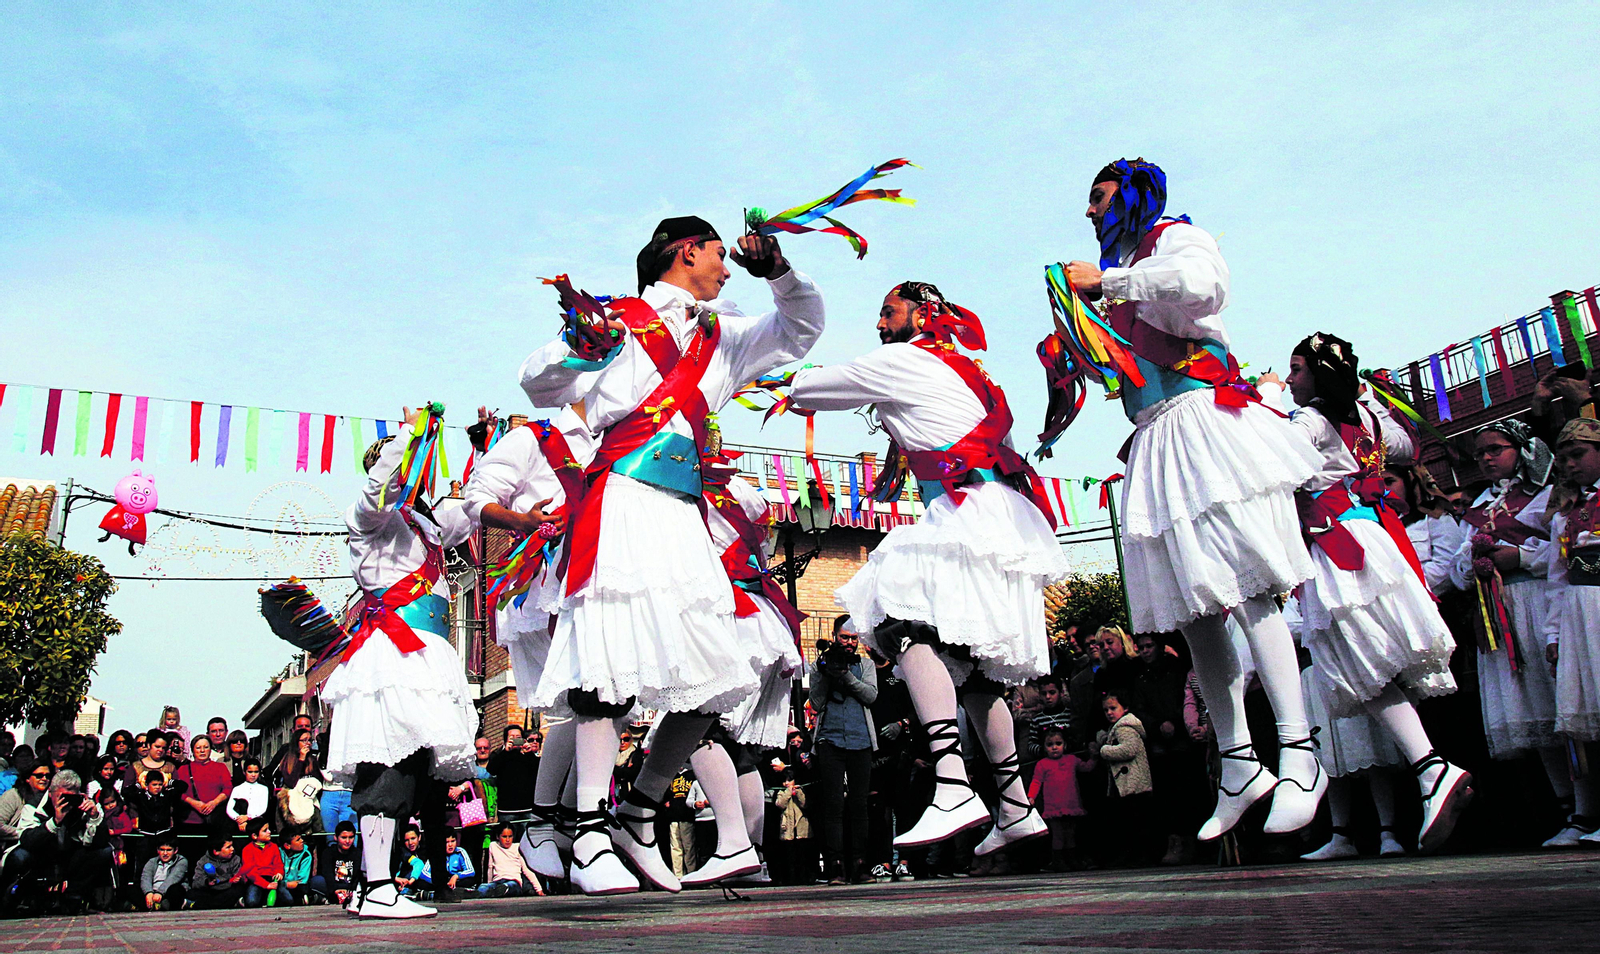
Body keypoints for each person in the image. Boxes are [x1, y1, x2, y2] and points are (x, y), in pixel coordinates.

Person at [518, 220, 824, 896]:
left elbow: (801, 327)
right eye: (720, 253)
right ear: (688, 251)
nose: (727, 265)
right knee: (607, 659)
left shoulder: (727, 334)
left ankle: (639, 808)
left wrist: (779, 268)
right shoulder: (619, 318)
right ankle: (589, 830)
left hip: (685, 515)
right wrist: (578, 347)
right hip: (622, 498)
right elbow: (536, 381)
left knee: (718, 674)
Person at [1046, 158, 1326, 843]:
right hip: (1156, 438)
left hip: (1206, 423)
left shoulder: (1173, 236)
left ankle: (1299, 754)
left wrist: (1110, 280)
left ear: (1133, 197)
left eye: (1099, 198)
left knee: (1253, 589)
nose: (1088, 213)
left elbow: (1206, 287)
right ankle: (1239, 765)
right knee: (1195, 611)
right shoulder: (1119, 282)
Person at [790, 280, 1069, 857]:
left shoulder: (904, 360)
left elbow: (805, 390)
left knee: (895, 617)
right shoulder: (972, 370)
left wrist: (784, 376)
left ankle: (952, 785)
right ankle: (1016, 807)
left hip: (962, 510)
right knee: (979, 675)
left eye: (887, 312)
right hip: (1006, 515)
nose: (879, 324)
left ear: (921, 314)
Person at [1259, 332, 1470, 853]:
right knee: (1366, 665)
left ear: (1320, 375)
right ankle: (1428, 770)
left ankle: (1431, 768)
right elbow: (1403, 445)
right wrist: (1368, 398)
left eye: (1297, 370)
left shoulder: (1309, 422)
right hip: (1371, 535)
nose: (1289, 380)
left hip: (1339, 543)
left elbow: (1275, 460)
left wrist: (1262, 399)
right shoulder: (1368, 419)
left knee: (1359, 661)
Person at [325, 406, 482, 919]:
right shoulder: (369, 520)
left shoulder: (425, 523)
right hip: (392, 651)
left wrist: (484, 446)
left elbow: (476, 505)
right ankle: (374, 887)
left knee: (413, 764)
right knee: (386, 762)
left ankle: (382, 884)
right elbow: (378, 491)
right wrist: (410, 437)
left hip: (427, 653)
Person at [460, 405, 590, 879]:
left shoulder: (622, 429)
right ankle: (546, 822)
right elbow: (477, 499)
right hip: (549, 575)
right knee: (586, 697)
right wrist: (522, 521)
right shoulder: (535, 437)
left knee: (604, 703)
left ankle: (572, 825)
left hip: (600, 568)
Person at [1445, 421, 1577, 845]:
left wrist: (1518, 556)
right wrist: (1474, 566)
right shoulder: (1479, 506)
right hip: (1497, 615)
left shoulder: (1545, 497)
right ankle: (1567, 809)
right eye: (1480, 452)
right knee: (1533, 712)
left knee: (1563, 707)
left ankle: (1587, 806)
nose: (1486, 458)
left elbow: (1564, 554)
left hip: (1539, 604)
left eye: (1495, 449)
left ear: (1520, 451)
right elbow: (1456, 569)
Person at [679, 461, 808, 887]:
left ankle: (733, 846)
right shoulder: (747, 492)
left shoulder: (684, 489)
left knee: (698, 726)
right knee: (742, 750)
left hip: (730, 617)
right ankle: (754, 857)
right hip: (766, 620)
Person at [1543, 418, 1600, 846]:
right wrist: (1554, 634)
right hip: (1581, 616)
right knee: (1587, 718)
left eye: (1578, 454)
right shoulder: (1566, 516)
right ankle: (1586, 814)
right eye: (1562, 459)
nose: (1569, 465)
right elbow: (1558, 578)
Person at [808, 620, 878, 884]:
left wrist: (845, 676)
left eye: (853, 638)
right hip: (830, 739)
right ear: (834, 637)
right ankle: (835, 865)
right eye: (844, 637)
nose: (849, 643)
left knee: (860, 804)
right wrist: (828, 674)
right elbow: (815, 702)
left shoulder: (866, 665)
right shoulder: (820, 665)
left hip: (861, 740)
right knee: (833, 804)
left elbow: (871, 696)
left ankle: (860, 863)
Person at [1097, 693, 1154, 865]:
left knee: (1136, 820)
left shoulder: (1125, 728)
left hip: (1133, 783)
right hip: (1125, 782)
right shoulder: (1117, 728)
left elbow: (1129, 750)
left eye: (1113, 708)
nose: (1109, 712)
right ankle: (1135, 854)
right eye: (1106, 710)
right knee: (1130, 820)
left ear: (1125, 708)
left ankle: (1141, 855)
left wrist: (1104, 750)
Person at [1028, 727, 1095, 871]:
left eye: (1058, 743)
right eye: (1050, 744)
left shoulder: (1072, 760)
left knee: (1070, 833)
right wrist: (1031, 796)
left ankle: (1072, 860)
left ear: (1064, 745)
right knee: (1057, 834)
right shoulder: (1042, 764)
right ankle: (1058, 861)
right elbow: (1036, 781)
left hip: (1071, 803)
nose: (1054, 747)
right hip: (1054, 807)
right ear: (1044, 748)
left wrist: (1095, 757)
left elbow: (1086, 768)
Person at [175, 736, 232, 838]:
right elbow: (178, 793)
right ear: (193, 750)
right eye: (198, 748)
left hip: (215, 820)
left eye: (205, 747)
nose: (202, 751)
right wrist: (194, 803)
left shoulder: (220, 767)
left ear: (210, 749)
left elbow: (228, 788)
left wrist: (214, 803)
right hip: (190, 821)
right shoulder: (183, 769)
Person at [125, 769, 185, 864]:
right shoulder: (141, 796)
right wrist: (139, 785)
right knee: (143, 863)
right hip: (145, 836)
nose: (157, 787)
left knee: (163, 863)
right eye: (154, 785)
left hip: (163, 835)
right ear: (147, 784)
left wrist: (168, 782)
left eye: (160, 784)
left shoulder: (167, 795)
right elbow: (125, 792)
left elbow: (183, 786)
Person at [478, 822, 543, 897]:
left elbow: (526, 870)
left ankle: (501, 890)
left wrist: (538, 889)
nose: (508, 840)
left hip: (514, 881)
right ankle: (476, 893)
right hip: (497, 881)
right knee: (483, 887)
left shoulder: (517, 847)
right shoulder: (493, 846)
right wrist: (489, 884)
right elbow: (490, 867)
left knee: (510, 886)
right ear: (497, 837)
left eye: (510, 836)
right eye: (504, 837)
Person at [311, 820, 363, 906]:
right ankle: (328, 898)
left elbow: (357, 876)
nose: (347, 841)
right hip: (332, 887)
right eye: (343, 837)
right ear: (335, 837)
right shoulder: (328, 852)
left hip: (351, 888)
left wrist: (349, 890)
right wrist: (335, 890)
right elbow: (327, 874)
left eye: (351, 837)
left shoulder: (358, 853)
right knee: (317, 881)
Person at [186, 833, 244, 909]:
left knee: (237, 890)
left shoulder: (235, 859)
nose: (232, 849)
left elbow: (241, 878)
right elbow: (195, 883)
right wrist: (207, 882)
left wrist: (237, 879)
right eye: (228, 847)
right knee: (192, 893)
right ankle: (224, 904)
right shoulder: (203, 861)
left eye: (232, 846)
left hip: (227, 889)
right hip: (210, 891)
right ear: (216, 851)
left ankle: (199, 905)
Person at [238, 817, 285, 907]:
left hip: (272, 878)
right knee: (252, 902)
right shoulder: (247, 850)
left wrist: (279, 873)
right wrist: (266, 885)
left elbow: (278, 864)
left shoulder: (274, 847)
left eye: (268, 829)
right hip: (256, 880)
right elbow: (250, 873)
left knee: (287, 900)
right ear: (254, 836)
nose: (269, 832)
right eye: (265, 830)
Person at [423, 829, 476, 901]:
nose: (450, 845)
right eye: (447, 842)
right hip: (440, 880)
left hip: (456, 881)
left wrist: (456, 876)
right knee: (422, 883)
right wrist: (440, 882)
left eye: (453, 841)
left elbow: (471, 871)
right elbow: (423, 873)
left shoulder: (460, 852)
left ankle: (454, 891)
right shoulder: (436, 853)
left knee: (470, 880)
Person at [139, 836, 188, 910]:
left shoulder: (181, 861)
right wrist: (148, 893)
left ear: (175, 850)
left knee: (176, 890)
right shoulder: (152, 862)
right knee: (130, 889)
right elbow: (146, 878)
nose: (165, 853)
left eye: (169, 850)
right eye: (162, 850)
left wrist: (160, 893)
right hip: (153, 892)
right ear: (158, 850)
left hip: (167, 892)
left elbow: (173, 878)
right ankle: (152, 905)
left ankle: (162, 905)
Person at [227, 759, 270, 832]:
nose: (253, 775)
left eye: (256, 772)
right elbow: (229, 808)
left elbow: (263, 808)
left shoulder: (264, 788)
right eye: (250, 772)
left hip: (256, 823)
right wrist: (239, 820)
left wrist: (248, 817)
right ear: (244, 772)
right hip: (238, 823)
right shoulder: (237, 789)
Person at [279, 830, 313, 904]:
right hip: (280, 885)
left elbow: (302, 880)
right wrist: (286, 884)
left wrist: (289, 884)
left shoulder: (306, 855)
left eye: (301, 838)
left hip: (297, 887)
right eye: (298, 840)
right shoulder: (278, 853)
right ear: (287, 846)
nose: (302, 841)